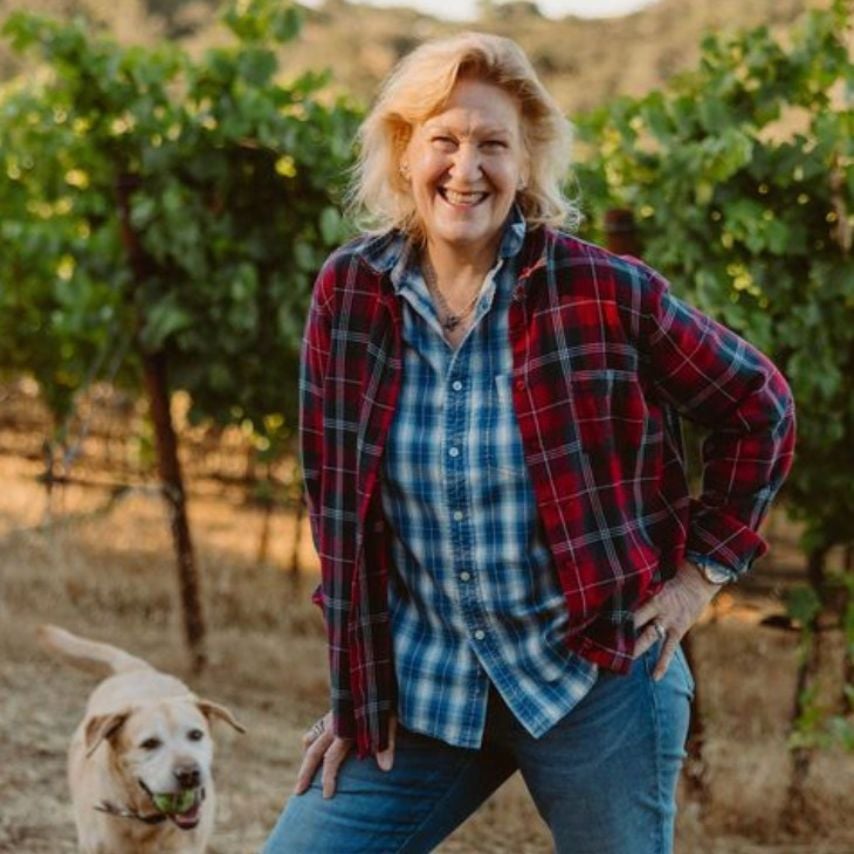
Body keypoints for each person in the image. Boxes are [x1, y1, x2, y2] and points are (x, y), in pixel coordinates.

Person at [263, 31, 795, 854]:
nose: (465, 168)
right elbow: (335, 510)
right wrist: (354, 696)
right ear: (405, 153)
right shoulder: (351, 292)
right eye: (443, 139)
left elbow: (759, 406)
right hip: (429, 691)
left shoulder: (603, 291)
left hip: (595, 681)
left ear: (527, 161)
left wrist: (698, 577)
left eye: (492, 144)